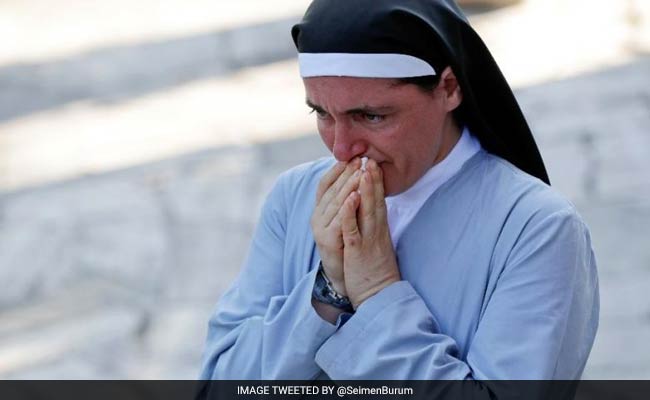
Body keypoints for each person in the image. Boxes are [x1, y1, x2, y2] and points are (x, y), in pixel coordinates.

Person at [199, 0, 599, 381]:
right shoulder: (295, 196)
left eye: (371, 116)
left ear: (449, 87)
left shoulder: (537, 231)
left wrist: (376, 295)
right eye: (321, 113)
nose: (341, 149)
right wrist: (326, 295)